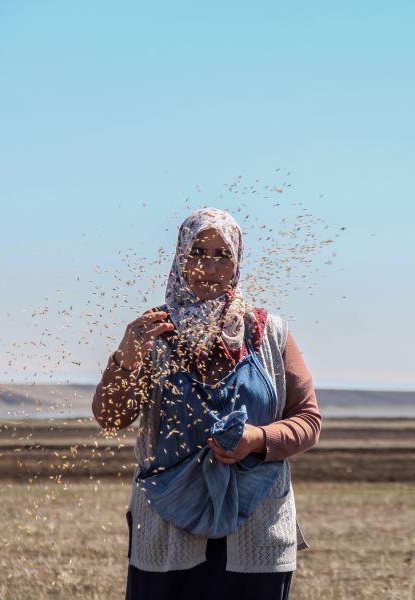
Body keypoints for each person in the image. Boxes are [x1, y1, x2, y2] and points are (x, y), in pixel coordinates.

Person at [91, 207, 321, 600]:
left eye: (222, 255)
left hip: (256, 530)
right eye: (198, 252)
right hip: (167, 528)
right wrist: (125, 360)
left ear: (236, 263)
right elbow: (111, 419)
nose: (209, 267)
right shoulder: (153, 332)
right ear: (181, 258)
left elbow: (308, 420)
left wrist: (257, 439)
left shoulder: (269, 335)